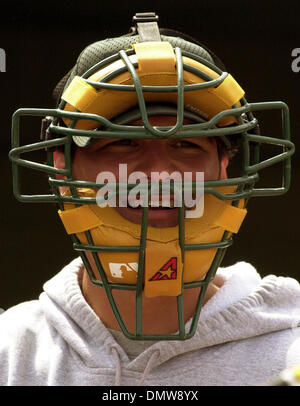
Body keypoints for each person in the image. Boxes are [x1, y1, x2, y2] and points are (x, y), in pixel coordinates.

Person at [3, 12, 299, 386]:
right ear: (63, 170)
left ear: (224, 169)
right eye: (123, 142)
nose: (159, 173)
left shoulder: (292, 351)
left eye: (186, 143)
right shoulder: (10, 355)